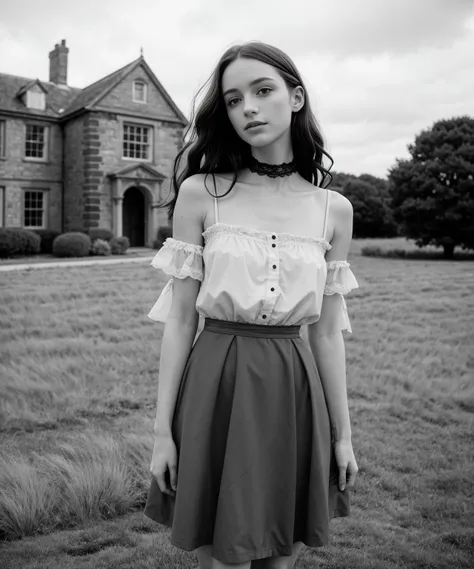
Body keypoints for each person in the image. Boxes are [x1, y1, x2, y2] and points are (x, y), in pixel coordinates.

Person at [144, 41, 359, 569]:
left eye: (262, 91)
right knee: (227, 558)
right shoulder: (201, 194)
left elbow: (327, 334)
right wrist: (162, 433)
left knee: (281, 552)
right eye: (234, 99)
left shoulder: (335, 210)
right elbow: (179, 321)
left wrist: (343, 435)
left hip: (293, 387)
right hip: (216, 381)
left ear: (296, 97)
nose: (249, 109)